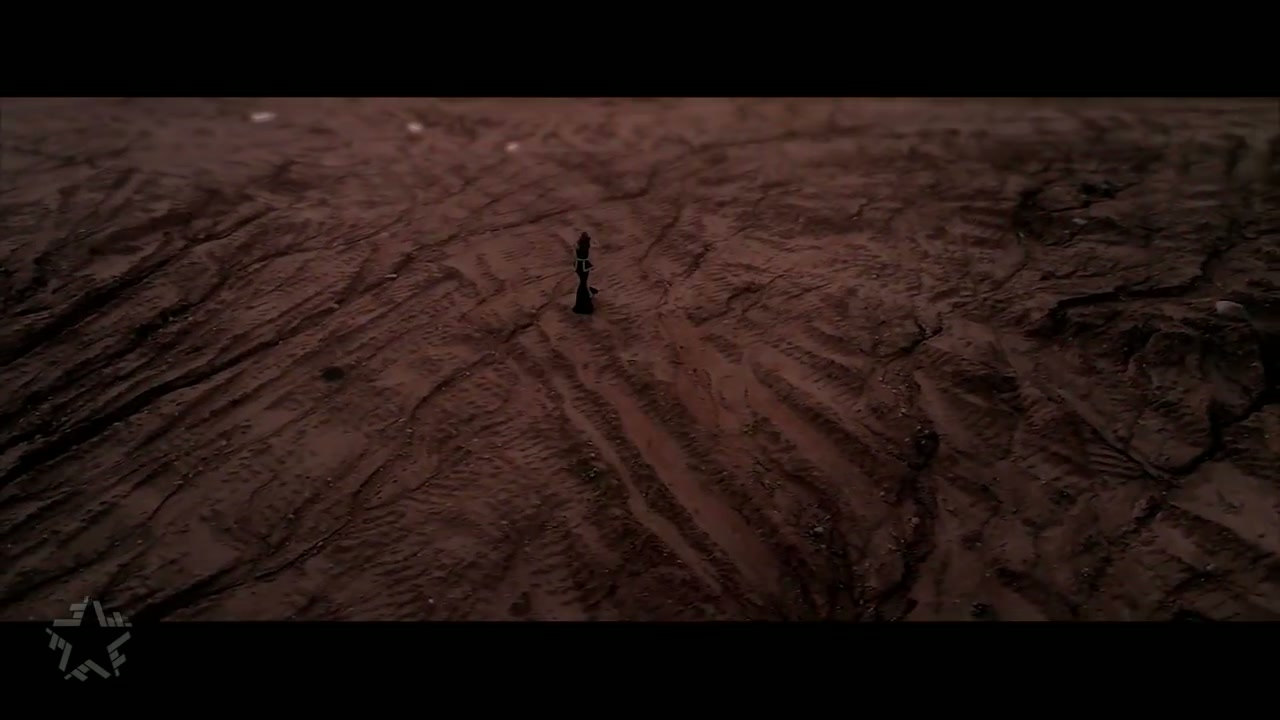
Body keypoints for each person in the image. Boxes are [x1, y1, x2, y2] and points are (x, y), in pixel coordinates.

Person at [572, 232, 599, 315]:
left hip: (579, 266)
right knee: (583, 284)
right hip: (583, 267)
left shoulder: (578, 244)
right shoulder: (585, 245)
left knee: (583, 283)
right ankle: (583, 304)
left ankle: (584, 300)